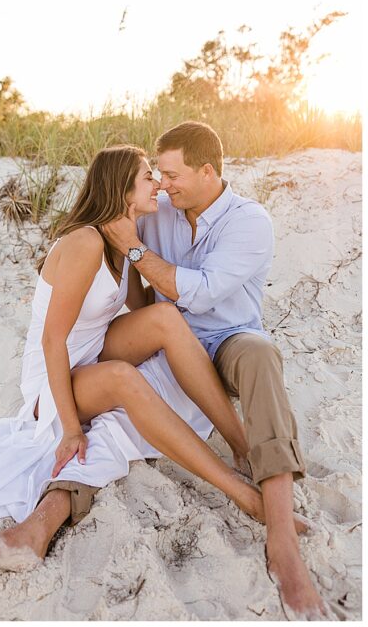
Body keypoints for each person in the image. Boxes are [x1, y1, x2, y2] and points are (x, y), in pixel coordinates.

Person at [0, 145, 307, 574]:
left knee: (165, 318)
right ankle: (241, 495)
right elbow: (53, 341)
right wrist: (72, 429)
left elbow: (141, 308)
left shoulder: (123, 240)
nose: (159, 185)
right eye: (149, 177)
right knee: (124, 378)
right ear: (124, 190)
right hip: (53, 377)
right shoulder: (85, 242)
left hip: (90, 351)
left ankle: (242, 445)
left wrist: (138, 253)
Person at [101, 121, 326, 619]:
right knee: (108, 409)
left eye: (173, 174)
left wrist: (137, 250)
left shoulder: (250, 221)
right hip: (168, 344)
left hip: (227, 341)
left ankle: (282, 537)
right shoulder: (160, 211)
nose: (163, 184)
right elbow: (135, 286)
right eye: (158, 174)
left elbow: (200, 292)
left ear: (208, 171)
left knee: (262, 356)